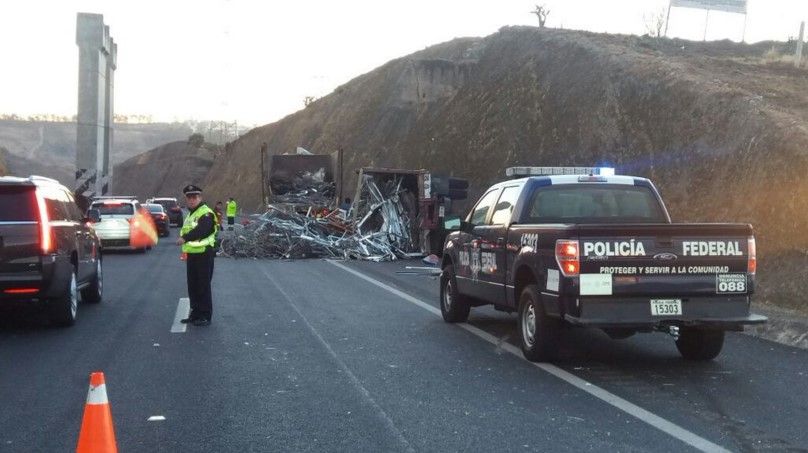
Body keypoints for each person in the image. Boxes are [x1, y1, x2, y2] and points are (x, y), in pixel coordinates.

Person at [176, 184, 218, 326]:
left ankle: (205, 315)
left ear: (200, 197)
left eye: (195, 197)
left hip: (204, 254)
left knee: (203, 285)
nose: (192, 200)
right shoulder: (191, 214)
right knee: (193, 285)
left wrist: (185, 238)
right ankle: (195, 313)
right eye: (189, 197)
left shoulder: (205, 212)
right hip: (193, 254)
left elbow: (203, 230)